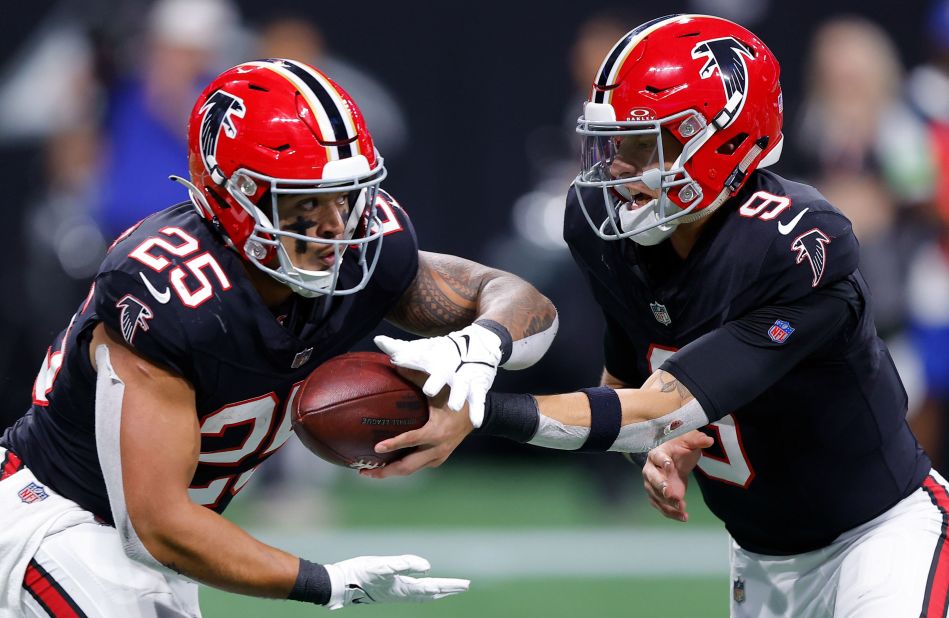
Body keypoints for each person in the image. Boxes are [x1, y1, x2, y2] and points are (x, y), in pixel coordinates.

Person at [367, 15, 949, 617]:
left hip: (879, 539)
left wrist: (477, 409)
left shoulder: (793, 243)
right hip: (761, 561)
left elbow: (660, 406)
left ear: (720, 141)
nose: (617, 169)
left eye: (643, 145)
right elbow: (626, 396)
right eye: (612, 144)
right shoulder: (612, 235)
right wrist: (655, 446)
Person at [0, 58, 559, 615]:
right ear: (234, 198)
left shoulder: (367, 250)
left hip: (146, 545)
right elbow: (157, 526)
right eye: (305, 201)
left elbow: (518, 299)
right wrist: (327, 583)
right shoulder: (168, 294)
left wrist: (480, 348)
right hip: (56, 518)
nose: (336, 226)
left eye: (345, 195)